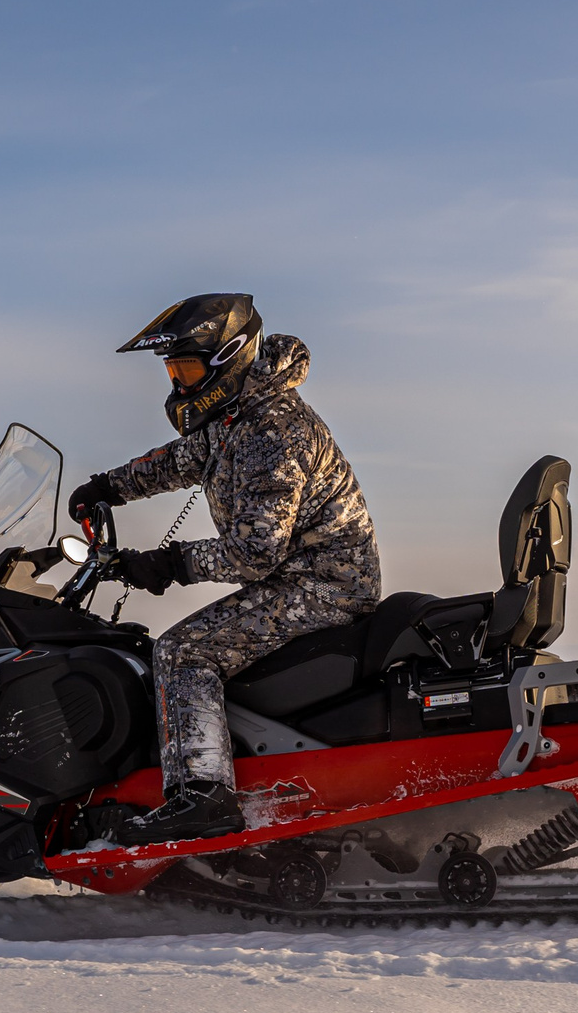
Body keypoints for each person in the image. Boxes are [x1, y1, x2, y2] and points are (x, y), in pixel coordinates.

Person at [67, 293, 379, 846]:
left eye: (186, 368)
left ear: (227, 357)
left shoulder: (272, 428)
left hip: (325, 584)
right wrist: (107, 488)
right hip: (302, 576)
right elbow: (182, 459)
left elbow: (255, 552)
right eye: (173, 370)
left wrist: (167, 564)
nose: (179, 384)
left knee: (183, 650)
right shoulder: (238, 413)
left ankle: (204, 797)